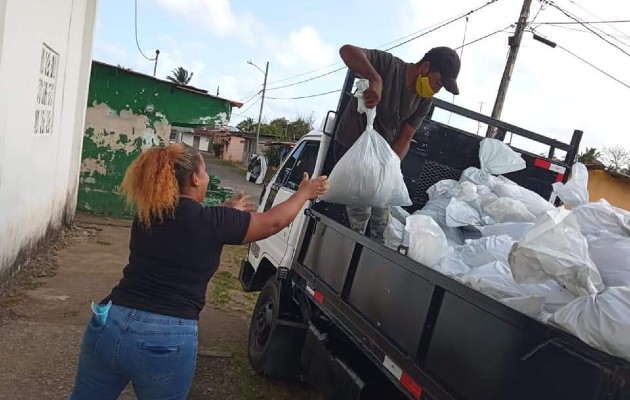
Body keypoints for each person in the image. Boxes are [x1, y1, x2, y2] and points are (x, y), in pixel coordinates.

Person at [70, 143, 328, 399]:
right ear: (194, 178)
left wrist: (226, 211)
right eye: (204, 173)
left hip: (110, 322)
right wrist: (304, 193)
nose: (206, 179)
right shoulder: (213, 222)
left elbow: (188, 223)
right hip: (166, 337)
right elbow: (274, 222)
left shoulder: (148, 215)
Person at [334, 44, 461, 242]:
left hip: (380, 158)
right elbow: (346, 51)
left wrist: (390, 168)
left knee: (381, 215)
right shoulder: (390, 66)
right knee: (360, 212)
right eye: (437, 83)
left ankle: (375, 248)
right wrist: (375, 79)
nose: (436, 91)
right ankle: (351, 245)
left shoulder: (424, 99)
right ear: (425, 68)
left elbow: (405, 138)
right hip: (353, 150)